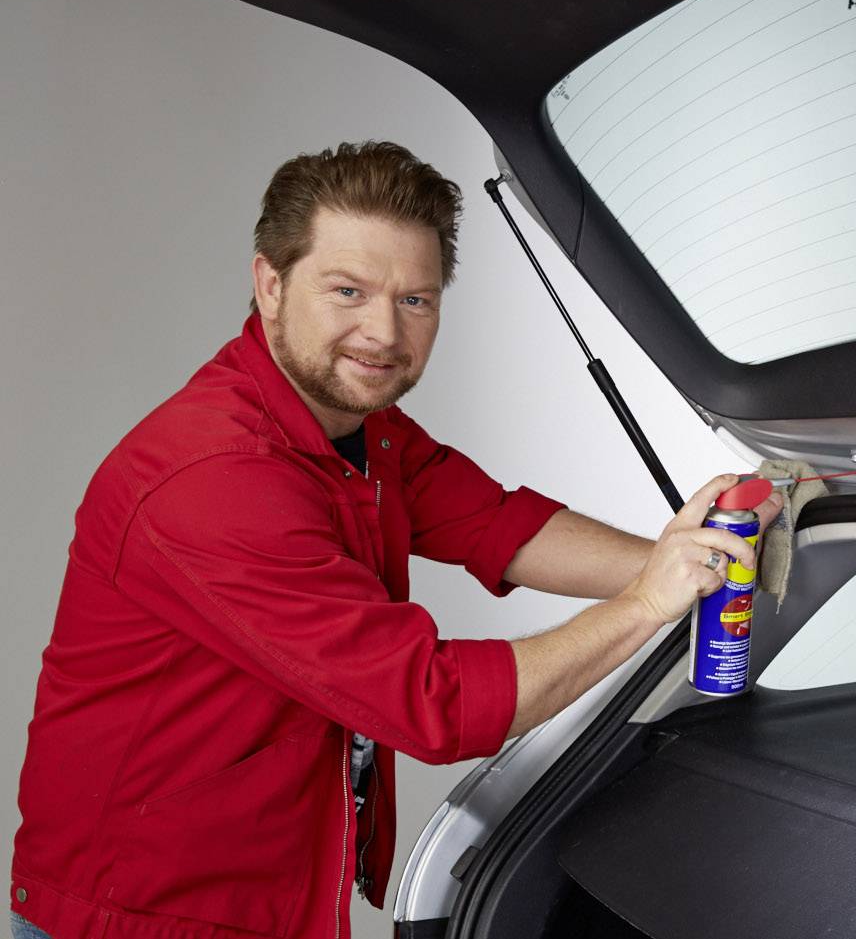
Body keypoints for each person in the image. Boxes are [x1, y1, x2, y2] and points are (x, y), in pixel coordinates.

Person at [10, 141, 781, 939]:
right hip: (133, 918)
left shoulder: (362, 429)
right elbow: (433, 703)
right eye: (348, 290)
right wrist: (648, 602)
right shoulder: (214, 478)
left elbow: (498, 526)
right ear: (270, 284)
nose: (383, 332)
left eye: (415, 299)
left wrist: (693, 559)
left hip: (265, 902)